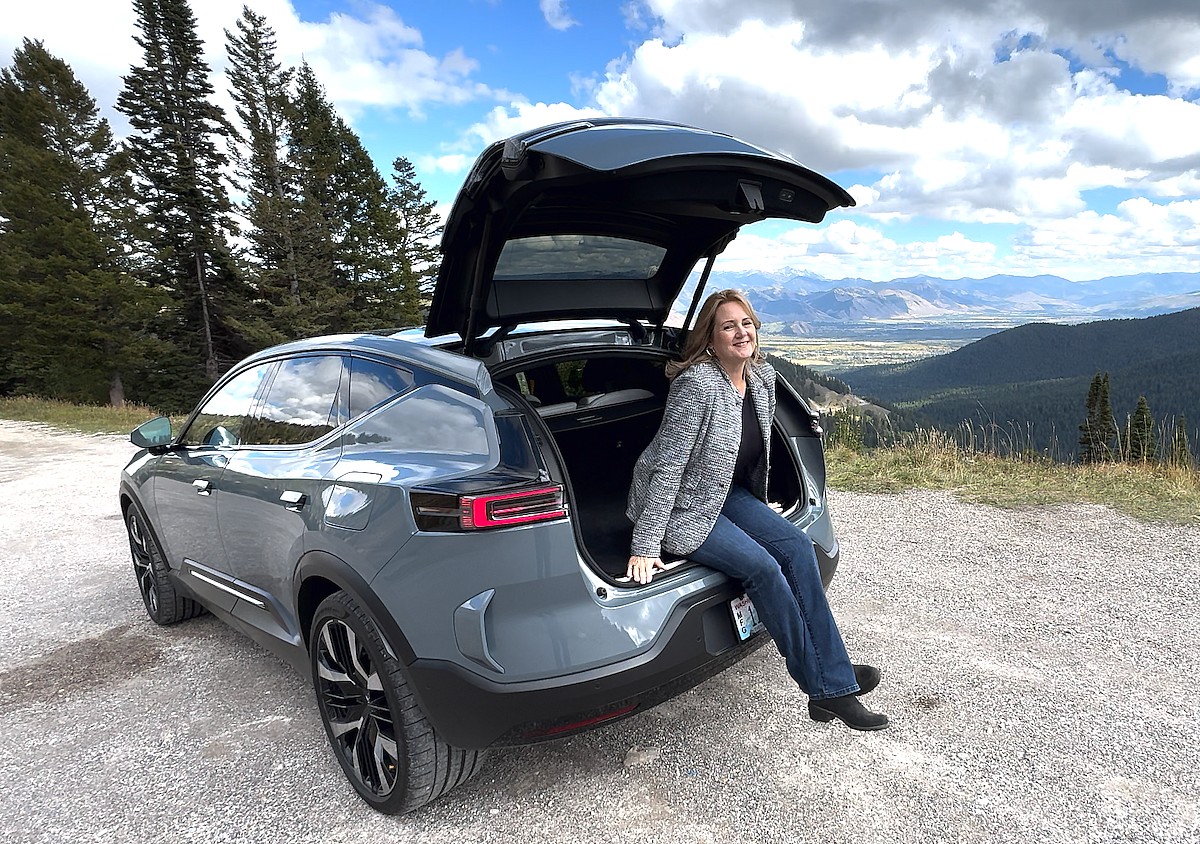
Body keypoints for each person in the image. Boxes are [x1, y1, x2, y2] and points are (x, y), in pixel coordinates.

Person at [626, 289, 888, 731]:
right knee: (764, 568)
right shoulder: (697, 387)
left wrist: (760, 500)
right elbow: (668, 467)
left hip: (725, 494)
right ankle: (829, 689)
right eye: (728, 326)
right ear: (710, 337)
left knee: (799, 549)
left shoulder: (761, 379)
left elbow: (753, 452)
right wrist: (645, 543)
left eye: (746, 323)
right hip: (680, 508)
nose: (741, 332)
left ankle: (831, 675)